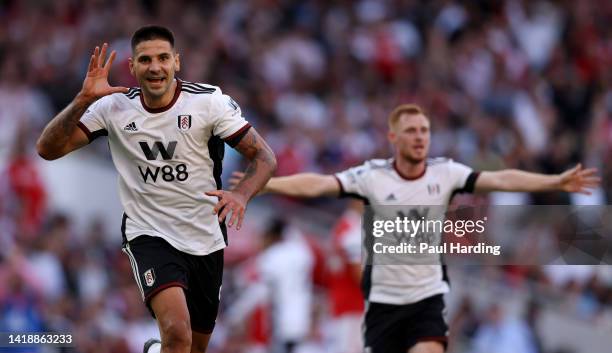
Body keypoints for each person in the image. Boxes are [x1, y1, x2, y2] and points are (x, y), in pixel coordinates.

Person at [231, 104, 599, 353]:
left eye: (423, 131)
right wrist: (270, 185)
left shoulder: (442, 175)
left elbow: (500, 177)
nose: (419, 138)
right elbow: (318, 185)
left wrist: (550, 183)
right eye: (411, 132)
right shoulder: (356, 215)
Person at [36, 25, 277, 353]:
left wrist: (242, 194)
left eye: (163, 58)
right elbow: (48, 149)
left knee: (194, 348)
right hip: (149, 234)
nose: (155, 67)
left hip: (205, 237)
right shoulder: (113, 108)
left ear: (176, 62)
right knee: (177, 333)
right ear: (133, 67)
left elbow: (264, 157)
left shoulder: (208, 103)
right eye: (145, 59)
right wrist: (82, 100)